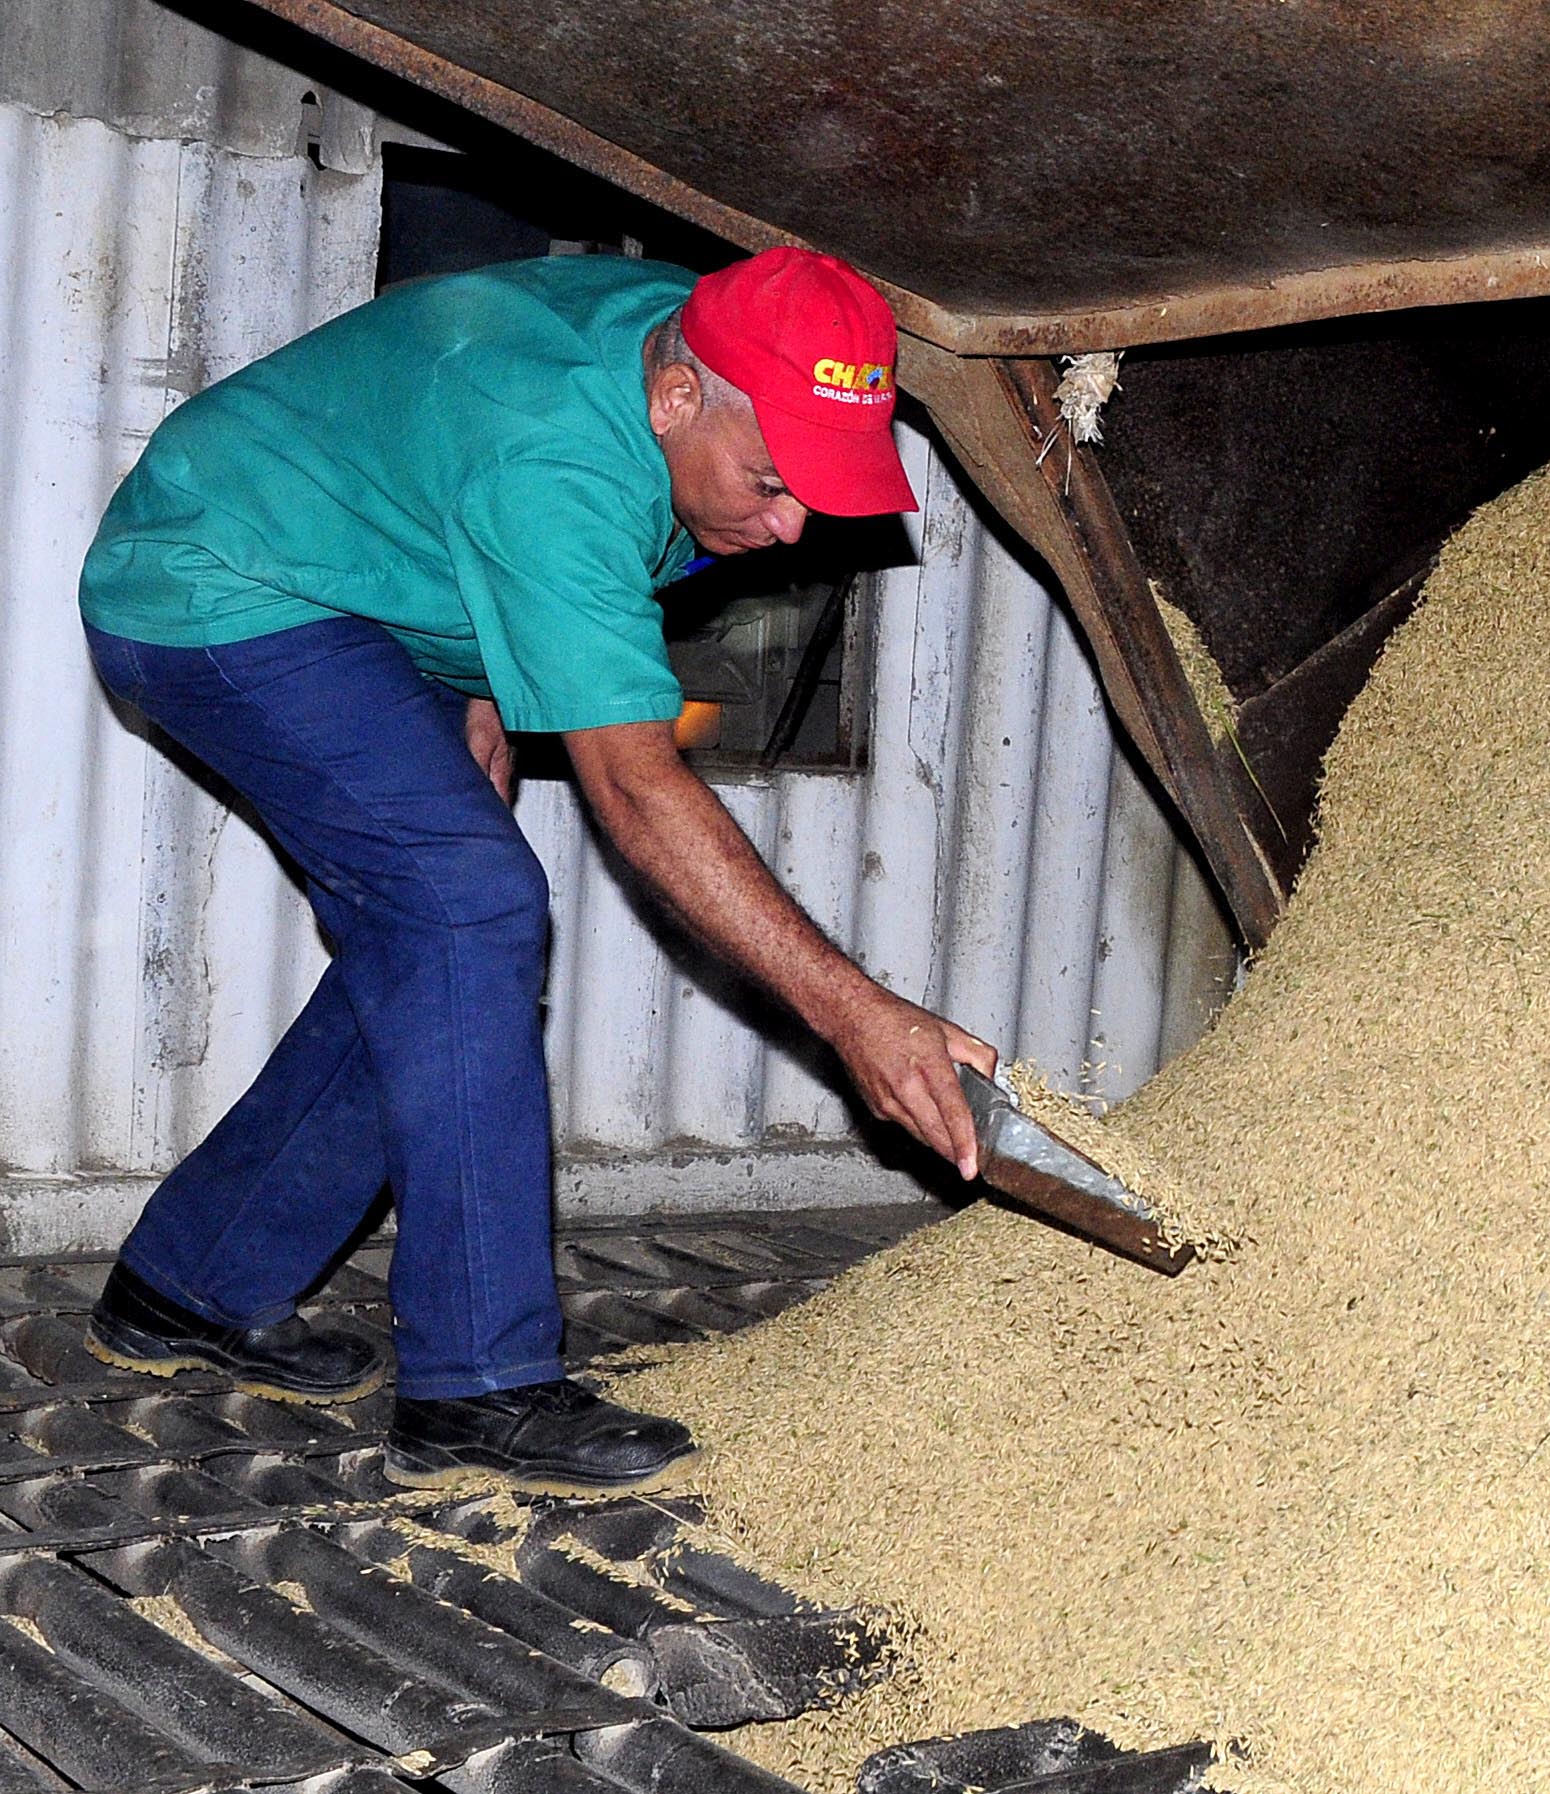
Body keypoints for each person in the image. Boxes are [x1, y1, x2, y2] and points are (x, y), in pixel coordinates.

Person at [72, 246, 1000, 1495]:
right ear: (677, 394)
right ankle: (478, 1387)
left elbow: (447, 466)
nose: (791, 529)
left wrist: (489, 678)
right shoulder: (555, 458)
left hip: (351, 580)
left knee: (436, 932)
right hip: (213, 577)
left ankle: (192, 1283)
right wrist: (856, 1015)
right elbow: (635, 786)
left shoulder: (689, 344)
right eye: (773, 483)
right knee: (469, 907)